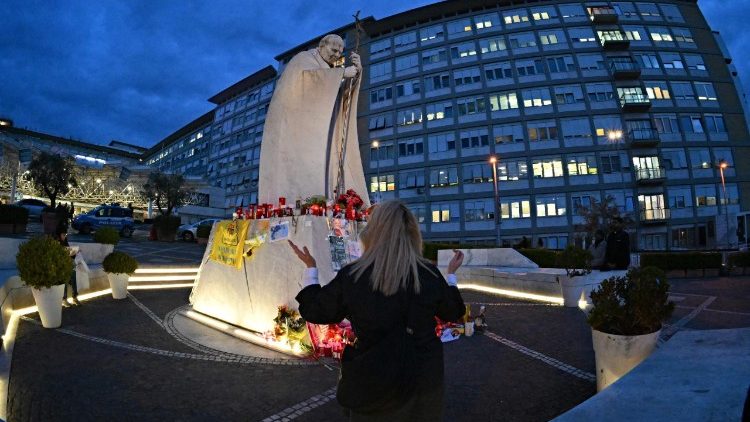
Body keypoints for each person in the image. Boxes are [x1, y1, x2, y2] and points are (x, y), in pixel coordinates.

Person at [289, 200, 465, 421]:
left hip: (372, 381)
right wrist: (450, 276)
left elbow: (316, 311)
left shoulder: (354, 275)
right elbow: (453, 311)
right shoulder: (428, 274)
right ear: (412, 234)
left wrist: (311, 270)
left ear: (373, 232)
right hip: (423, 382)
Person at [258, 33, 369, 205]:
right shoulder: (303, 59)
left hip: (321, 132)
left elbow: (339, 97)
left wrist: (356, 73)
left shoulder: (327, 68)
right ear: (321, 45)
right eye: (333, 50)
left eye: (340, 52)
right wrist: (340, 74)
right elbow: (306, 80)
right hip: (298, 132)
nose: (336, 55)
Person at [56, 225, 81, 307]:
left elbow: (69, 254)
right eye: (63, 235)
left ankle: (75, 297)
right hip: (58, 266)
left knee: (73, 274)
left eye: (65, 235)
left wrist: (74, 252)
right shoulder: (55, 242)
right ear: (59, 235)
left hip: (66, 265)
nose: (65, 236)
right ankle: (64, 299)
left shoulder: (65, 242)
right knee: (65, 276)